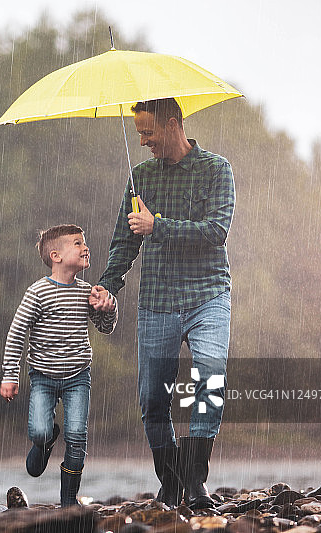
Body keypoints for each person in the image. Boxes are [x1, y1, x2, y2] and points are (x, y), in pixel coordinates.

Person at [93, 97, 235, 510]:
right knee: (153, 398)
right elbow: (124, 241)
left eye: (147, 132)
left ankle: (195, 482)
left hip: (208, 294)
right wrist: (108, 287)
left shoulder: (216, 170)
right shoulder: (141, 178)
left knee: (209, 378)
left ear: (173, 124)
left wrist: (159, 225)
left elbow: (216, 231)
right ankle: (170, 482)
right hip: (157, 300)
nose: (142, 141)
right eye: (137, 133)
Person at [0, 224, 117, 506]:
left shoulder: (88, 291)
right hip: (43, 376)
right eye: (77, 243)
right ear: (56, 255)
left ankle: (68, 500)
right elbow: (17, 333)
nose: (85, 247)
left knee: (77, 436)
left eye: (84, 243)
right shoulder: (37, 292)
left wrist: (109, 308)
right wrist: (9, 375)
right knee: (39, 431)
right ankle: (46, 439)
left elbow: (104, 328)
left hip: (79, 376)